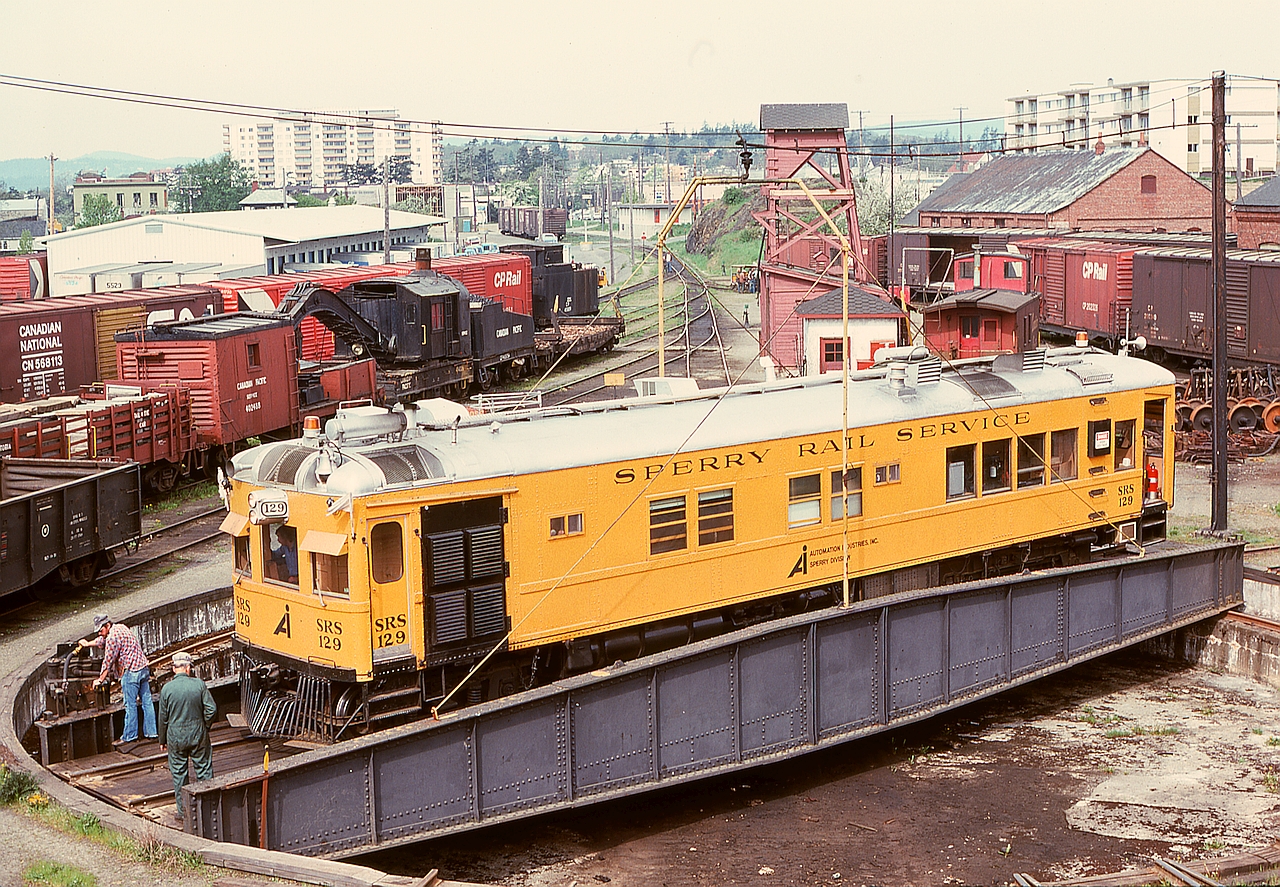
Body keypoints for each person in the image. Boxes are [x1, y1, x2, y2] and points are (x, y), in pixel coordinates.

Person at [158, 651, 216, 822]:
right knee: (204, 770)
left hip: (175, 736)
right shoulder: (199, 685)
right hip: (198, 734)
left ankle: (184, 813)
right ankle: (207, 807)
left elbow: (163, 718)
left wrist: (162, 740)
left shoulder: (167, 689)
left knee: (179, 774)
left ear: (174, 669)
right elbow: (211, 709)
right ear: (188, 668)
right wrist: (204, 726)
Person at [83, 615, 156, 743]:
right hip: (143, 668)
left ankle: (129, 736)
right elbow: (102, 640)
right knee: (147, 702)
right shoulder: (121, 627)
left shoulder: (112, 637)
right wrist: (88, 644)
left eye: (101, 630)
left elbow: (108, 661)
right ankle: (152, 732)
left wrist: (100, 679)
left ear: (107, 626)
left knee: (130, 704)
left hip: (131, 672)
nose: (100, 633)